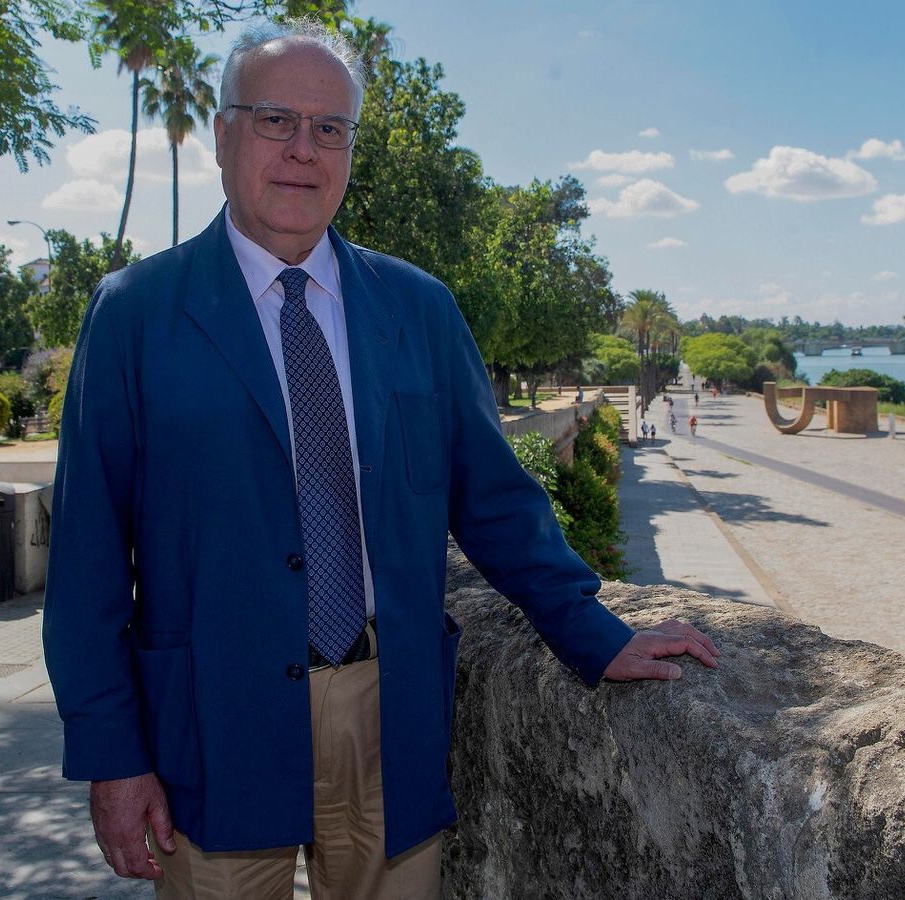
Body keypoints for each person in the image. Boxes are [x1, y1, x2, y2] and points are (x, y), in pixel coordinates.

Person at [41, 20, 720, 900]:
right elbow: (88, 557)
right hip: (210, 721)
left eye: (330, 129)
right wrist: (112, 754)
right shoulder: (134, 314)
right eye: (276, 119)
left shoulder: (419, 309)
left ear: (351, 149)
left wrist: (598, 634)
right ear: (222, 134)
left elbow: (495, 502)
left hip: (386, 709)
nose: (303, 150)